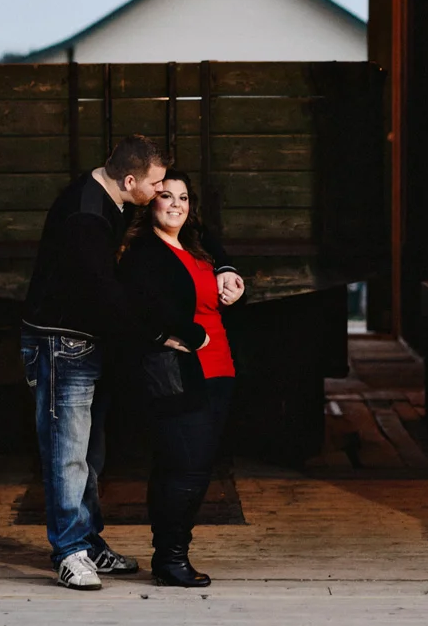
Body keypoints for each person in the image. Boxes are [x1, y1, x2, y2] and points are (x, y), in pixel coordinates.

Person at [20, 134, 206, 590]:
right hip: (61, 345)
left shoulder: (111, 201)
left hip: (86, 342)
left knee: (89, 455)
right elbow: (105, 293)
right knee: (67, 454)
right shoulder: (87, 216)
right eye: (157, 185)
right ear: (129, 180)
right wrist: (161, 333)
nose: (160, 193)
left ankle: (88, 543)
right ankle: (68, 551)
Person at [117, 168, 246, 588]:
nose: (175, 204)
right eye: (166, 196)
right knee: (184, 468)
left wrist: (227, 271)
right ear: (149, 201)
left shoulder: (195, 244)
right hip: (176, 371)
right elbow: (137, 306)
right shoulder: (142, 251)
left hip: (218, 368)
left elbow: (209, 242)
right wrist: (184, 333)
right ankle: (171, 558)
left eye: (183, 198)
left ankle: (169, 555)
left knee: (193, 466)